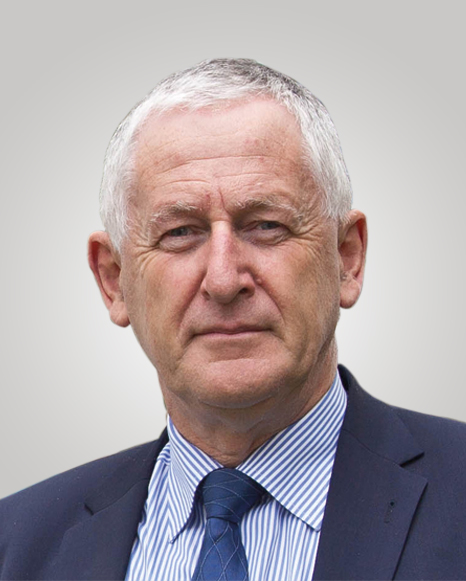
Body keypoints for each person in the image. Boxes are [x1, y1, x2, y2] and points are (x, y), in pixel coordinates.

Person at [1, 58, 465, 581]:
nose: (224, 280)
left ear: (347, 258)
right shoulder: (17, 547)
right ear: (114, 280)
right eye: (180, 233)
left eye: (266, 225)